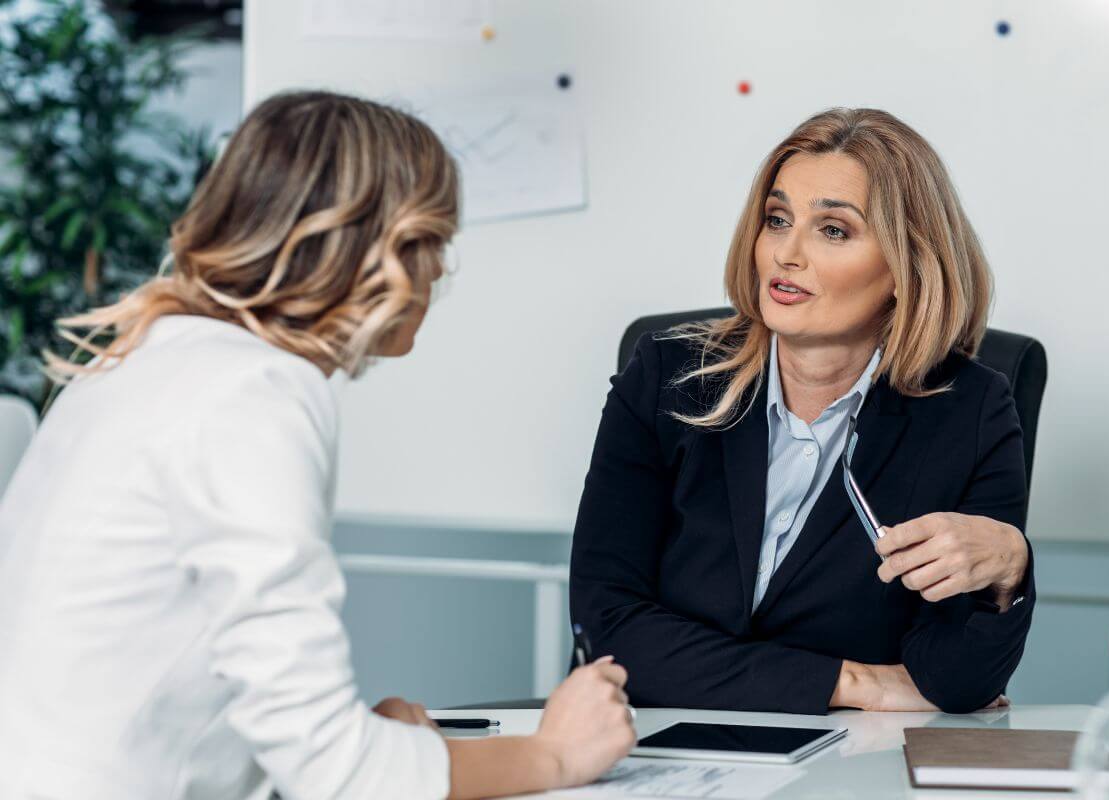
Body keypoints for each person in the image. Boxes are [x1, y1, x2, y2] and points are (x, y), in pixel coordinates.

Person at [0, 91, 635, 800]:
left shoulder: (150, 360)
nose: (441, 274)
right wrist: (554, 754)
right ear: (387, 251)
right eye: (435, 243)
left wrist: (387, 750)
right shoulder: (253, 394)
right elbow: (336, 774)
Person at [570, 107, 1034, 717]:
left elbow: (951, 683)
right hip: (653, 746)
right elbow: (609, 632)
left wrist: (1009, 569)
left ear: (907, 266)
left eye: (833, 230)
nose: (786, 253)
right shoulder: (667, 377)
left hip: (850, 769)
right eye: (777, 219)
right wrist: (853, 683)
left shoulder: (969, 411)